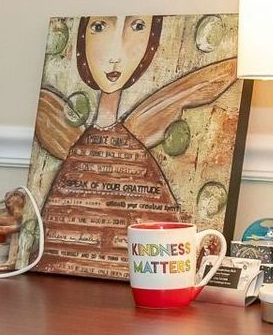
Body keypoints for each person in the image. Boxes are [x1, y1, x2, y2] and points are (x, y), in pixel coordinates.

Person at [32, 16, 237, 279]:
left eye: (138, 27)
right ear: (81, 41)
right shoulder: (76, 145)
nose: (116, 54)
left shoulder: (136, 145)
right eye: (99, 27)